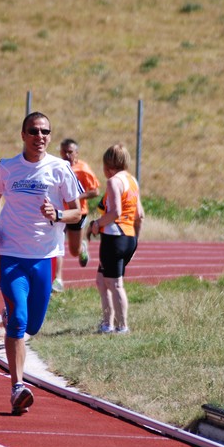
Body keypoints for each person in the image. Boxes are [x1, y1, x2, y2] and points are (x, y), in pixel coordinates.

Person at [0, 112, 82, 414]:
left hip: (45, 257)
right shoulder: (7, 167)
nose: (39, 137)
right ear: (23, 134)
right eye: (33, 131)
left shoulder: (60, 168)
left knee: (34, 325)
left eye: (45, 132)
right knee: (19, 319)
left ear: (50, 136)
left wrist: (57, 214)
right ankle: (17, 387)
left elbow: (77, 212)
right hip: (11, 254)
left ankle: (11, 314)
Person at [87, 143, 144, 334]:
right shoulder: (132, 180)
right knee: (102, 280)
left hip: (114, 237)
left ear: (108, 166)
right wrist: (135, 241)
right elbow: (140, 215)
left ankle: (122, 326)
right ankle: (107, 323)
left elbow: (115, 212)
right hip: (128, 237)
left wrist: (97, 224)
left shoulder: (113, 182)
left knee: (115, 284)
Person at [52, 138, 100, 293]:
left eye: (70, 152)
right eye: (64, 151)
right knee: (56, 244)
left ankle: (82, 248)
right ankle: (58, 279)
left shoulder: (83, 169)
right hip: (58, 212)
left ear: (76, 153)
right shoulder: (56, 166)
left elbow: (95, 191)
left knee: (73, 250)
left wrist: (76, 197)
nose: (67, 154)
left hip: (77, 213)